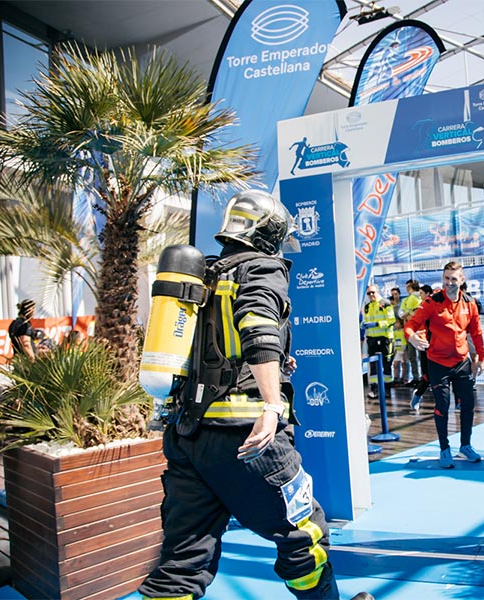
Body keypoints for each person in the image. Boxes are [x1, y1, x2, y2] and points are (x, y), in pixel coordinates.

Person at [138, 189, 359, 600]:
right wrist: (273, 404)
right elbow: (258, 327)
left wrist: (274, 367)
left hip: (187, 437)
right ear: (270, 232)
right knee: (304, 537)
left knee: (182, 562)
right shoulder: (261, 267)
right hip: (247, 439)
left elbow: (213, 348)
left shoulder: (203, 273)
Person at [405, 262, 484, 468]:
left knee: (467, 405)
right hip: (437, 363)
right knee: (443, 406)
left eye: (453, 279)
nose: (449, 283)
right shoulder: (432, 302)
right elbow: (410, 325)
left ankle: (465, 446)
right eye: (446, 278)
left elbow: (476, 333)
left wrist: (481, 357)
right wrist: (412, 337)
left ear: (462, 280)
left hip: (462, 363)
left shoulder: (470, 303)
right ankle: (444, 449)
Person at [362, 284, 395, 397]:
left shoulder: (385, 303)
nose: (371, 295)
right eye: (368, 293)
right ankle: (374, 390)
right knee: (373, 365)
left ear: (378, 291)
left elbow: (391, 320)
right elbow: (365, 320)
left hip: (385, 339)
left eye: (373, 292)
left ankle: (387, 390)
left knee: (386, 364)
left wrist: (377, 324)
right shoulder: (367, 306)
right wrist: (363, 325)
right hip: (372, 339)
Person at [409, 285, 433, 412]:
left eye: (422, 293)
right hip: (424, 344)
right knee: (427, 376)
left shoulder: (438, 307)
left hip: (439, 346)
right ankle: (418, 395)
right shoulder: (421, 308)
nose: (420, 296)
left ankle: (458, 403)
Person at [399, 279, 422, 385]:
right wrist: (409, 314)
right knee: (412, 355)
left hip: (421, 330)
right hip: (410, 330)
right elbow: (401, 313)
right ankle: (416, 377)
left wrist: (410, 314)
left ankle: (424, 378)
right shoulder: (406, 300)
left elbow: (417, 312)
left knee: (423, 355)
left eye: (409, 287)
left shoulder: (421, 297)